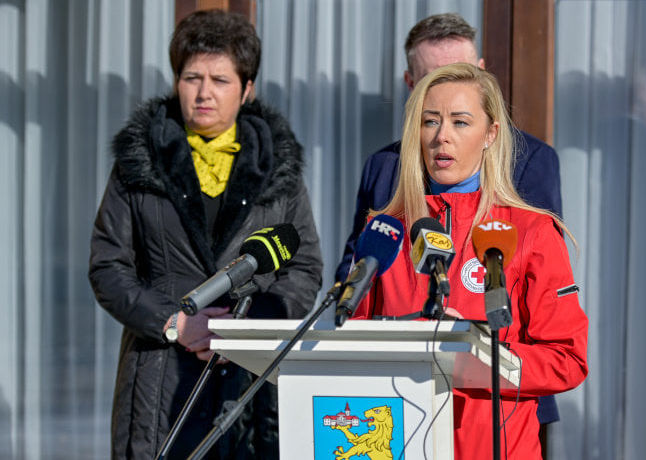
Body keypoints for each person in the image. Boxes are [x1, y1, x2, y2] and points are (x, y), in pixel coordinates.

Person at [88, 10, 322, 459]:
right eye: (192, 77)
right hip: (158, 378)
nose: (203, 93)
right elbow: (107, 266)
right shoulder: (140, 159)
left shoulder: (277, 165)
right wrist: (175, 322)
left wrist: (245, 329)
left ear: (247, 88)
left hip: (247, 379)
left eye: (220, 80)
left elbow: (304, 267)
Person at [335, 11, 564, 431]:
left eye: (460, 119)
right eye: (431, 117)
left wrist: (479, 351)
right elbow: (353, 300)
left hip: (496, 423)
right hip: (399, 418)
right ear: (412, 89)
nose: (443, 134)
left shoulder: (531, 204)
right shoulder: (385, 203)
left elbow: (554, 338)